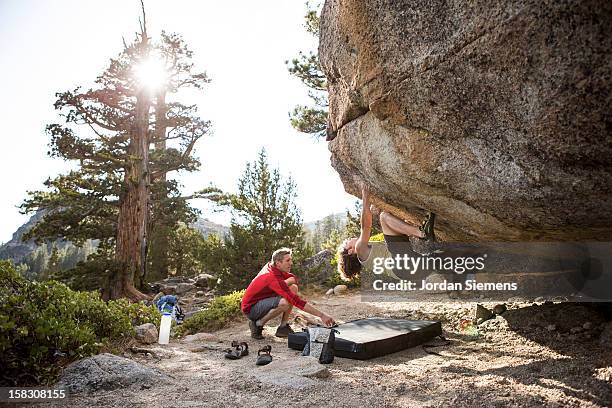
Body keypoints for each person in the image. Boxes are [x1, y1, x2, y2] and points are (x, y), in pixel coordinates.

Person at [338, 185, 435, 279]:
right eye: (347, 242)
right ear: (350, 251)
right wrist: (365, 198)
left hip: (406, 269)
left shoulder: (367, 254)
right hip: (401, 265)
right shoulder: (360, 249)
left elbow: (391, 232)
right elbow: (366, 226)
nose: (350, 239)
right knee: (383, 217)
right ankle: (422, 233)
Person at [241, 248, 336, 339]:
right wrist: (322, 315)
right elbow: (296, 301)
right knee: (284, 303)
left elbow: (292, 278)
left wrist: (290, 281)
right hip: (251, 309)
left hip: (263, 300)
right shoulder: (271, 276)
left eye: (291, 260)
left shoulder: (273, 266)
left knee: (293, 288)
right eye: (288, 260)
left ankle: (283, 327)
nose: (291, 263)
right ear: (278, 263)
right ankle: (257, 325)